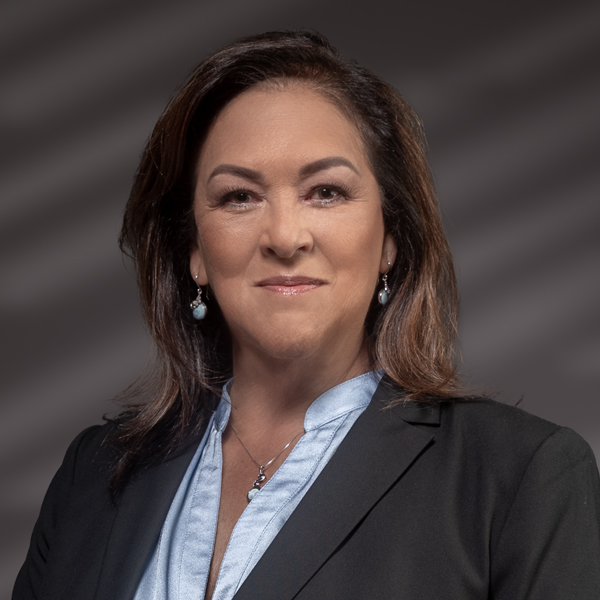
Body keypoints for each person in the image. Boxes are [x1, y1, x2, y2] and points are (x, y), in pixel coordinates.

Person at [13, 30, 600, 600]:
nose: (285, 236)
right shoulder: (94, 474)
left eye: (326, 192)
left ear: (390, 238)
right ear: (194, 251)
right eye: (239, 197)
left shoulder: (518, 478)